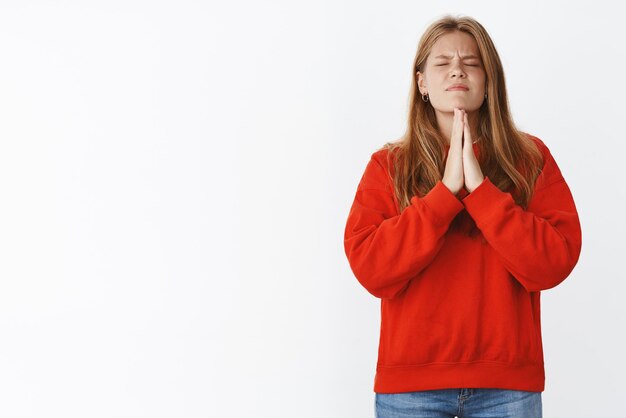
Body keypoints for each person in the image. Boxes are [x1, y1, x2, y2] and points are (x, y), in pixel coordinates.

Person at [343, 14, 582, 418]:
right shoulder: (388, 165)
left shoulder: (530, 158)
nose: (457, 68)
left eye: (471, 62)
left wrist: (483, 192)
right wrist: (444, 195)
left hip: (507, 386)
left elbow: (553, 263)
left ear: (489, 82)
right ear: (421, 82)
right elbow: (371, 268)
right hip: (411, 389)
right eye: (442, 62)